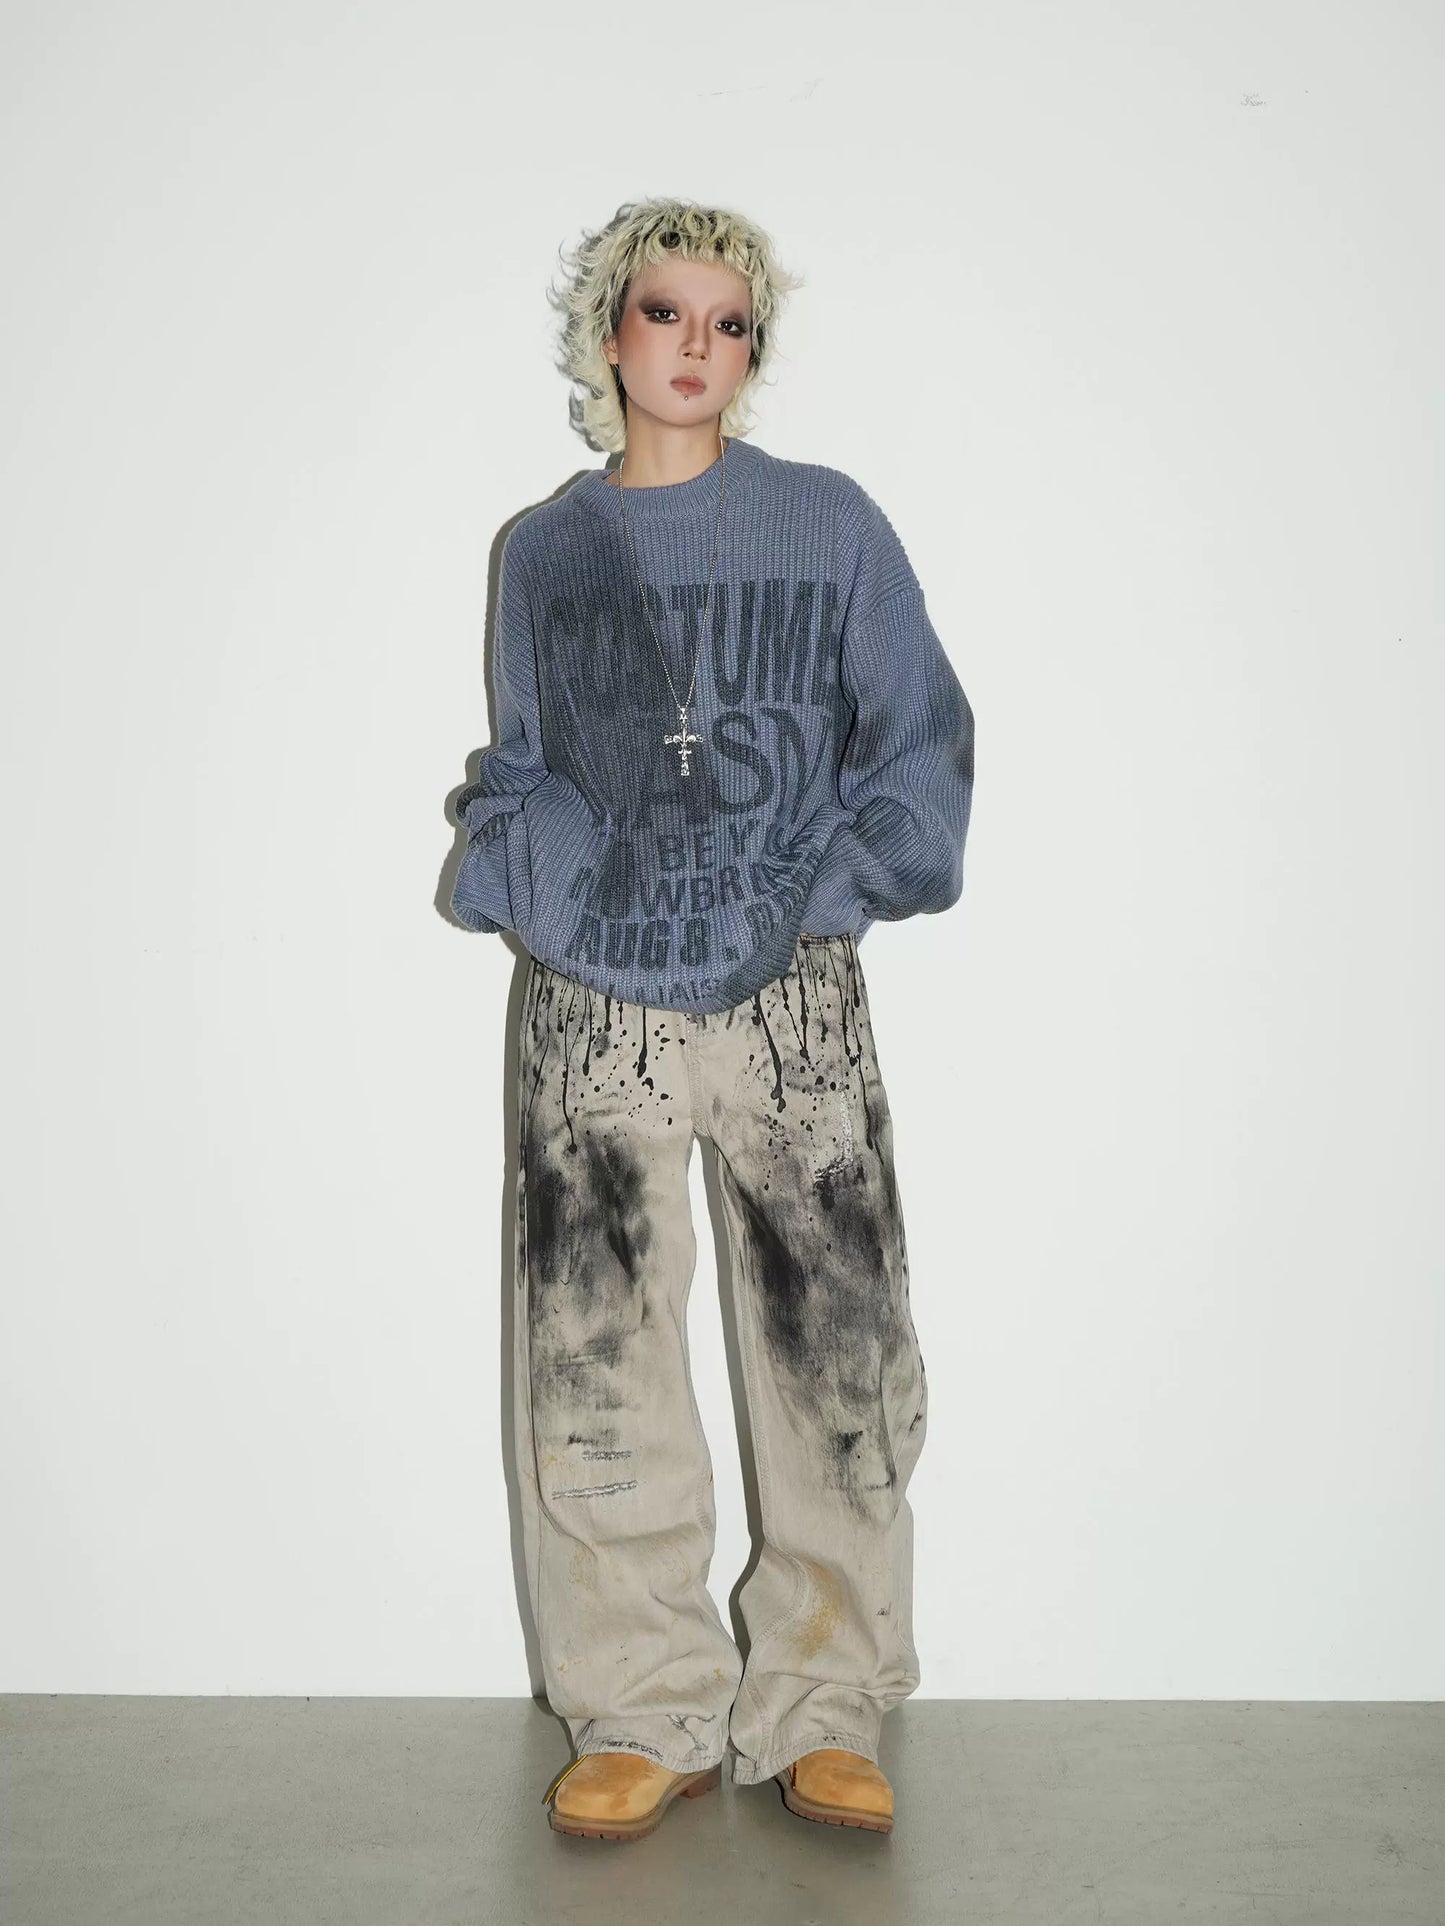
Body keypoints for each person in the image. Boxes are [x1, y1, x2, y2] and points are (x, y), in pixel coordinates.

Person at [446, 197, 976, 1841]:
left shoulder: (827, 522)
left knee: (838, 1355)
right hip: (593, 1007)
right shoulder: (546, 550)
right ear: (609, 332)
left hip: (790, 998)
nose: (694, 345)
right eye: (664, 312)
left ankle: (824, 1704)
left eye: (727, 321)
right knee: (592, 1358)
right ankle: (641, 1705)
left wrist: (831, 889)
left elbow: (919, 738)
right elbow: (525, 760)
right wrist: (535, 887)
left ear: (752, 349)